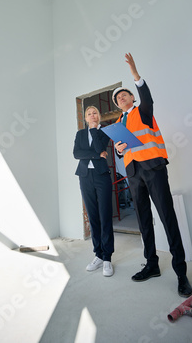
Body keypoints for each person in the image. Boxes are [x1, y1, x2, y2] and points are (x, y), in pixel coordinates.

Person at [113, 53, 192, 297]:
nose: (121, 98)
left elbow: (146, 96)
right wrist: (117, 149)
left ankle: (181, 273)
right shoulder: (119, 122)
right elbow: (121, 149)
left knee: (167, 217)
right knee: (144, 221)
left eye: (124, 94)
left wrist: (136, 75)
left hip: (154, 169)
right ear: (117, 105)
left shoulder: (143, 111)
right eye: (118, 98)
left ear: (132, 98)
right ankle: (152, 265)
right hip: (134, 174)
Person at [73, 106, 114, 277]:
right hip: (84, 176)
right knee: (93, 216)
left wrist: (94, 130)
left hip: (101, 176)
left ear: (99, 116)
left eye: (95, 112)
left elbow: (99, 146)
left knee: (105, 215)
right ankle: (98, 254)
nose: (92, 115)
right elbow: (76, 153)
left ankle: (107, 259)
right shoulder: (80, 134)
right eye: (89, 113)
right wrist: (98, 155)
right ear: (85, 117)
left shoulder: (104, 132)